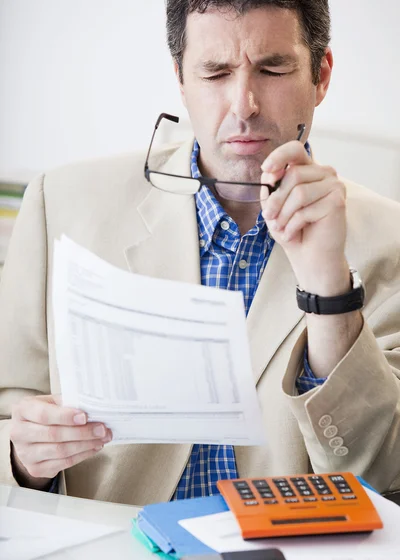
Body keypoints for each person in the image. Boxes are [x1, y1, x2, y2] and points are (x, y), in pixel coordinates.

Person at [1, 0, 400, 506]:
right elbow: (8, 418)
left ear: (320, 76)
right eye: (215, 73)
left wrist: (330, 291)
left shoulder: (392, 241)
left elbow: (379, 474)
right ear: (180, 79)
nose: (244, 105)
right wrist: (23, 460)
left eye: (273, 68)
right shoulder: (59, 204)